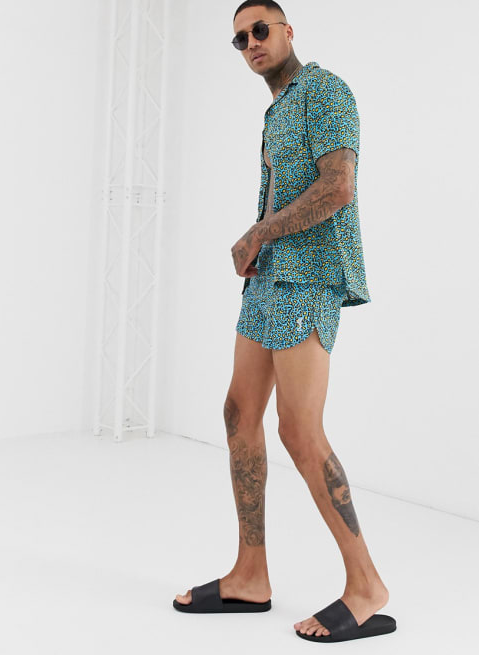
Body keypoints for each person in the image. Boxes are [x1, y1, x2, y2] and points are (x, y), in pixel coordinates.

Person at [173, 0, 397, 643]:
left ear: (288, 31)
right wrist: (260, 245)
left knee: (299, 429)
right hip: (269, 279)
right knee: (239, 414)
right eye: (239, 38)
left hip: (308, 277)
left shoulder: (324, 90)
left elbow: (338, 187)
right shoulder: (276, 109)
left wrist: (258, 232)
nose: (250, 43)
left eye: (260, 30)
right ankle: (251, 575)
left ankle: (366, 585)